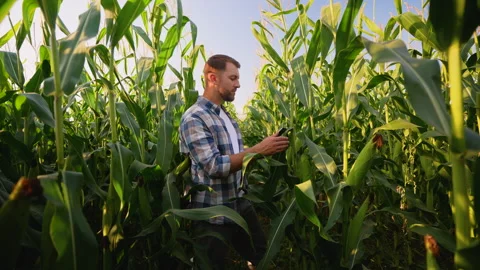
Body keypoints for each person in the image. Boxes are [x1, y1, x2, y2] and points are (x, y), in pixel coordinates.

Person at [179, 54, 289, 269]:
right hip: (212, 213)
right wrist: (258, 150)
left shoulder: (225, 116)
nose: (238, 84)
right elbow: (214, 166)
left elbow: (234, 154)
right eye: (233, 78)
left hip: (238, 202)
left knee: (261, 256)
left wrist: (266, 148)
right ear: (213, 78)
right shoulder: (195, 117)